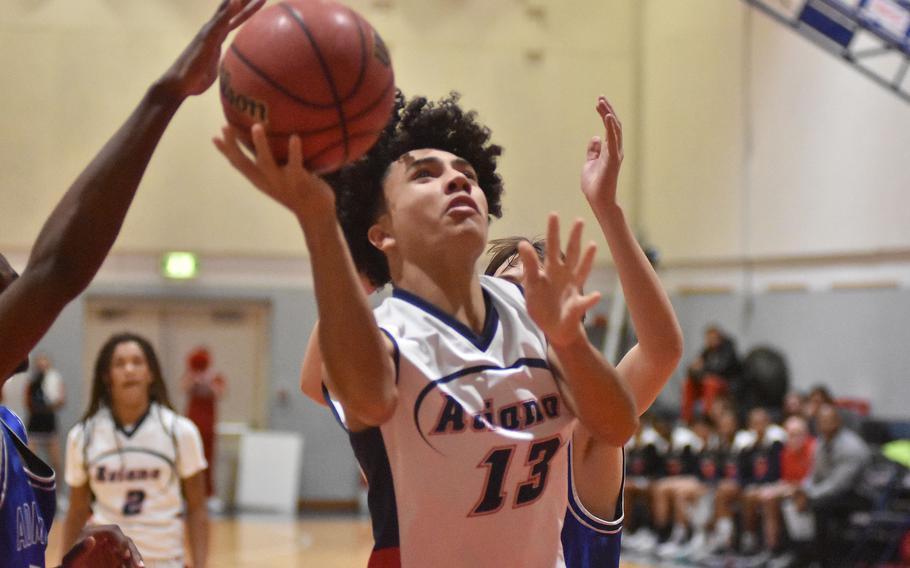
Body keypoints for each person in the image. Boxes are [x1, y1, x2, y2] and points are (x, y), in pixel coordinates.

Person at [216, 91, 640, 566]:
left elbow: (618, 425)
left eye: (468, 174)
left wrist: (569, 341)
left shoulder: (531, 310)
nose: (456, 179)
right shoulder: (386, 335)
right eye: (425, 175)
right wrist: (320, 221)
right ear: (381, 233)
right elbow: (364, 395)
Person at [0, 1, 263, 564]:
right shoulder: (84, 433)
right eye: (2, 281)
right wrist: (165, 95)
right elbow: (57, 269)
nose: (14, 280)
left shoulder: (10, 427)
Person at [63, 333, 210, 568]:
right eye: (119, 364)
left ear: (151, 373)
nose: (129, 370)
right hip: (107, 562)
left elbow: (197, 507)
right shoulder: (83, 435)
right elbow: (77, 510)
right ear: (107, 376)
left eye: (137, 362)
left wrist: (201, 565)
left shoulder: (179, 431)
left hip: (165, 561)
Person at [794, 404, 871, 567]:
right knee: (797, 500)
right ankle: (799, 553)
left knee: (819, 505)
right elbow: (814, 474)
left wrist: (809, 495)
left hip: (860, 495)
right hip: (833, 492)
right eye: (821, 421)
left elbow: (839, 484)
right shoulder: (821, 442)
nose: (824, 424)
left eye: (829, 420)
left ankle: (824, 561)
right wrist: (802, 490)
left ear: (838, 422)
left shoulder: (852, 447)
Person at [181, 346, 226, 498]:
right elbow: (183, 388)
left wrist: (207, 382)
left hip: (208, 424)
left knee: (208, 460)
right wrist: (194, 379)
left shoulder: (215, 377)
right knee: (188, 459)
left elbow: (220, 393)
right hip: (192, 422)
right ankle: (187, 495)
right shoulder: (189, 375)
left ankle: (209, 494)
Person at [681, 325, 741, 422]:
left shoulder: (728, 349)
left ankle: (707, 416)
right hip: (707, 381)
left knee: (710, 383)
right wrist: (695, 370)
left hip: (727, 383)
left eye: (713, 338)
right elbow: (693, 369)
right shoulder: (706, 351)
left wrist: (703, 370)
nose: (710, 341)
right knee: (688, 384)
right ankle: (686, 418)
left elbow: (722, 369)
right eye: (708, 339)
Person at [25, 353, 66, 477]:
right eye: (39, 366)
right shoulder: (31, 382)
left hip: (49, 422)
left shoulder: (55, 380)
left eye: (44, 365)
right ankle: (29, 491)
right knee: (28, 460)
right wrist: (37, 406)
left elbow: (62, 400)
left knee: (56, 461)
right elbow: (26, 402)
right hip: (35, 423)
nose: (42, 368)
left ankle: (57, 493)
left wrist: (50, 405)